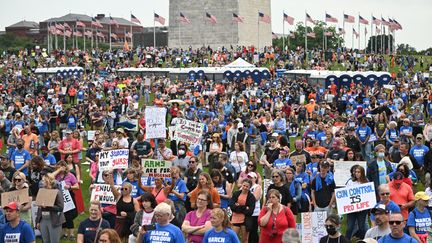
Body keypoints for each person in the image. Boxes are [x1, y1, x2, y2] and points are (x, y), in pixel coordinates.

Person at [35, 172, 65, 243]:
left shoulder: (57, 192)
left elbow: (61, 207)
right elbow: (39, 208)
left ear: (48, 181)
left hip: (54, 220)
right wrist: (38, 221)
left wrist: (49, 206)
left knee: (54, 241)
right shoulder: (41, 191)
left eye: (44, 181)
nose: (42, 182)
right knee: (45, 240)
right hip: (43, 220)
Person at [345, 165, 369, 240]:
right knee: (349, 227)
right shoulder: (350, 182)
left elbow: (368, 196)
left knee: (362, 227)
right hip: (351, 209)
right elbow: (346, 195)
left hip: (362, 209)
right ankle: (346, 241)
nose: (357, 173)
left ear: (362, 173)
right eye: (356, 172)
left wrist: (362, 206)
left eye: (359, 172)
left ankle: (362, 240)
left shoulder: (366, 182)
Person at [229, 178, 256, 243]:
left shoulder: (251, 197)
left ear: (250, 187)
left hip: (245, 220)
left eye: (247, 186)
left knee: (245, 240)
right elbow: (232, 206)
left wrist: (239, 206)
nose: (245, 187)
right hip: (235, 219)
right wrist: (245, 208)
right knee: (233, 239)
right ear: (242, 185)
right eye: (244, 185)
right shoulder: (236, 193)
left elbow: (250, 212)